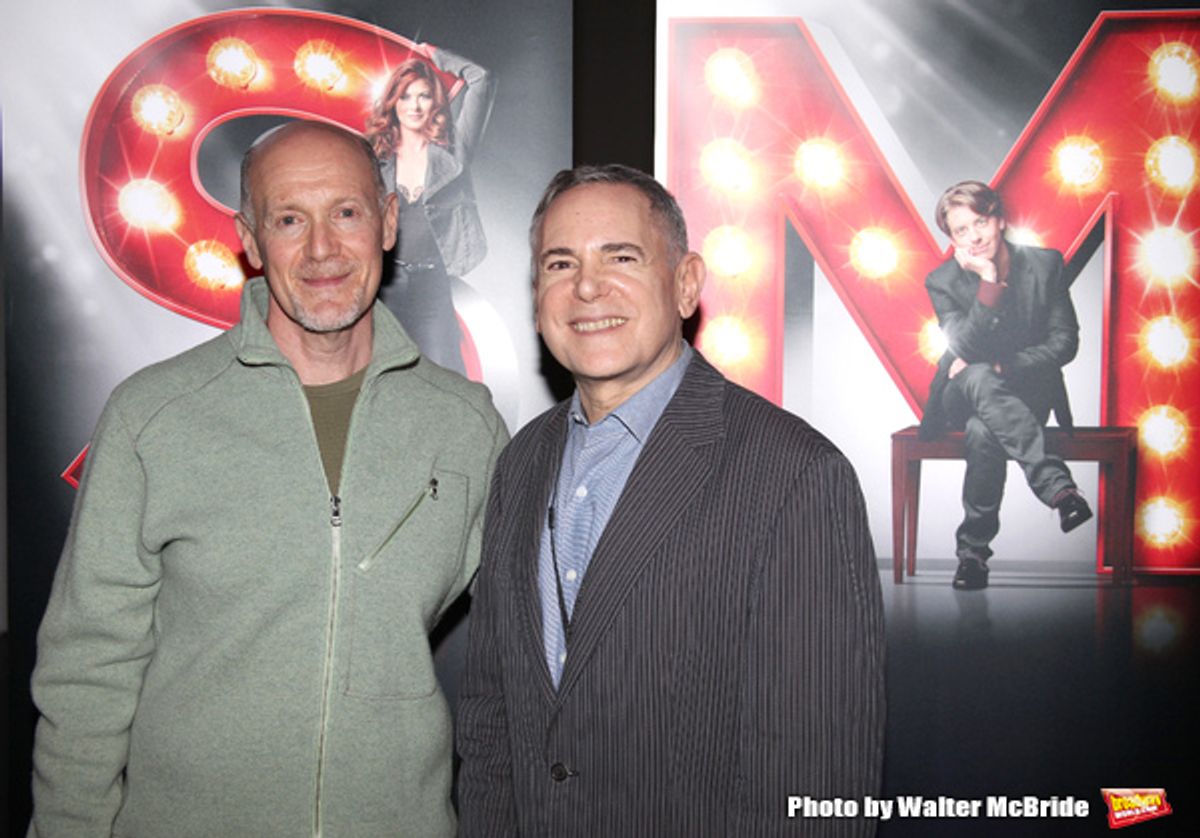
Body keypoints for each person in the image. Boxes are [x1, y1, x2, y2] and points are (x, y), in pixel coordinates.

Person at [28, 121, 507, 836]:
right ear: (249, 240)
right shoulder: (155, 417)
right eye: (289, 219)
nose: (321, 249)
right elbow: (87, 673)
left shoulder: (465, 425)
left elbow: (538, 652)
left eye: (345, 212)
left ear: (388, 221)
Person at [456, 164, 885, 836]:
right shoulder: (520, 462)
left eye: (620, 257)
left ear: (686, 284)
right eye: (560, 262)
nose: (587, 287)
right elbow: (491, 712)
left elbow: (813, 781)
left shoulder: (795, 474)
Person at [920, 180, 1092, 591]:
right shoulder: (942, 281)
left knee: (984, 431)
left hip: (1024, 392)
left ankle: (972, 555)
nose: (974, 236)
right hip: (960, 393)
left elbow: (1065, 343)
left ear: (999, 220)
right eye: (961, 231)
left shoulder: (1046, 265)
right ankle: (1059, 489)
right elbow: (964, 345)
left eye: (980, 222)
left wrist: (1006, 366)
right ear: (952, 239)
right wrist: (989, 280)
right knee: (975, 374)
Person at [366, 46, 494, 375]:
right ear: (393, 102)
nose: (415, 105)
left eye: (423, 96)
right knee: (387, 372)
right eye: (406, 96)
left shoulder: (454, 153)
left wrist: (436, 55)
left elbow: (481, 79)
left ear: (435, 102)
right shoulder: (374, 158)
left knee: (445, 371)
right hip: (387, 283)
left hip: (433, 279)